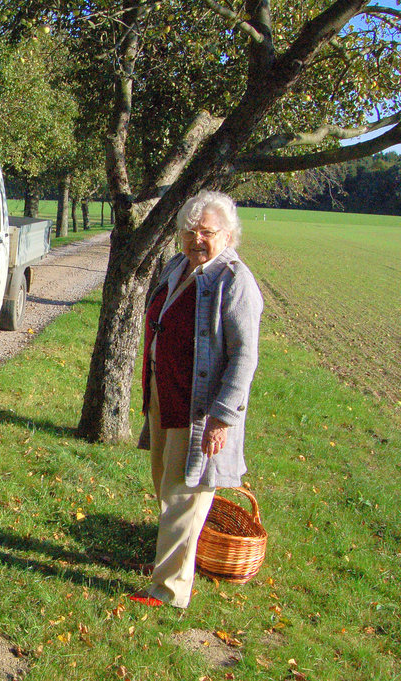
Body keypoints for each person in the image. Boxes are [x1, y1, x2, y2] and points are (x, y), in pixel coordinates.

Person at [131, 190, 264, 609]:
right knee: (165, 486)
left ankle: (169, 591)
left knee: (185, 494)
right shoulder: (181, 266)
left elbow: (245, 356)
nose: (195, 240)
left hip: (200, 408)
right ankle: (172, 564)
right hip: (165, 395)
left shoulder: (234, 280)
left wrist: (223, 418)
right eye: (189, 231)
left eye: (206, 232)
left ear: (228, 234)